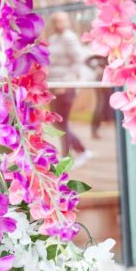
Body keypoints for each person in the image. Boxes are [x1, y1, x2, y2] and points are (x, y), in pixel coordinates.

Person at [47, 11, 93, 166]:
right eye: (56, 21)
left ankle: (67, 156)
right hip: (53, 86)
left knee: (62, 122)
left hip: (65, 87)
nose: (59, 24)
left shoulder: (69, 37)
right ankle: (80, 150)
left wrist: (66, 82)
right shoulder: (53, 39)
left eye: (62, 21)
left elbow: (78, 60)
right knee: (57, 122)